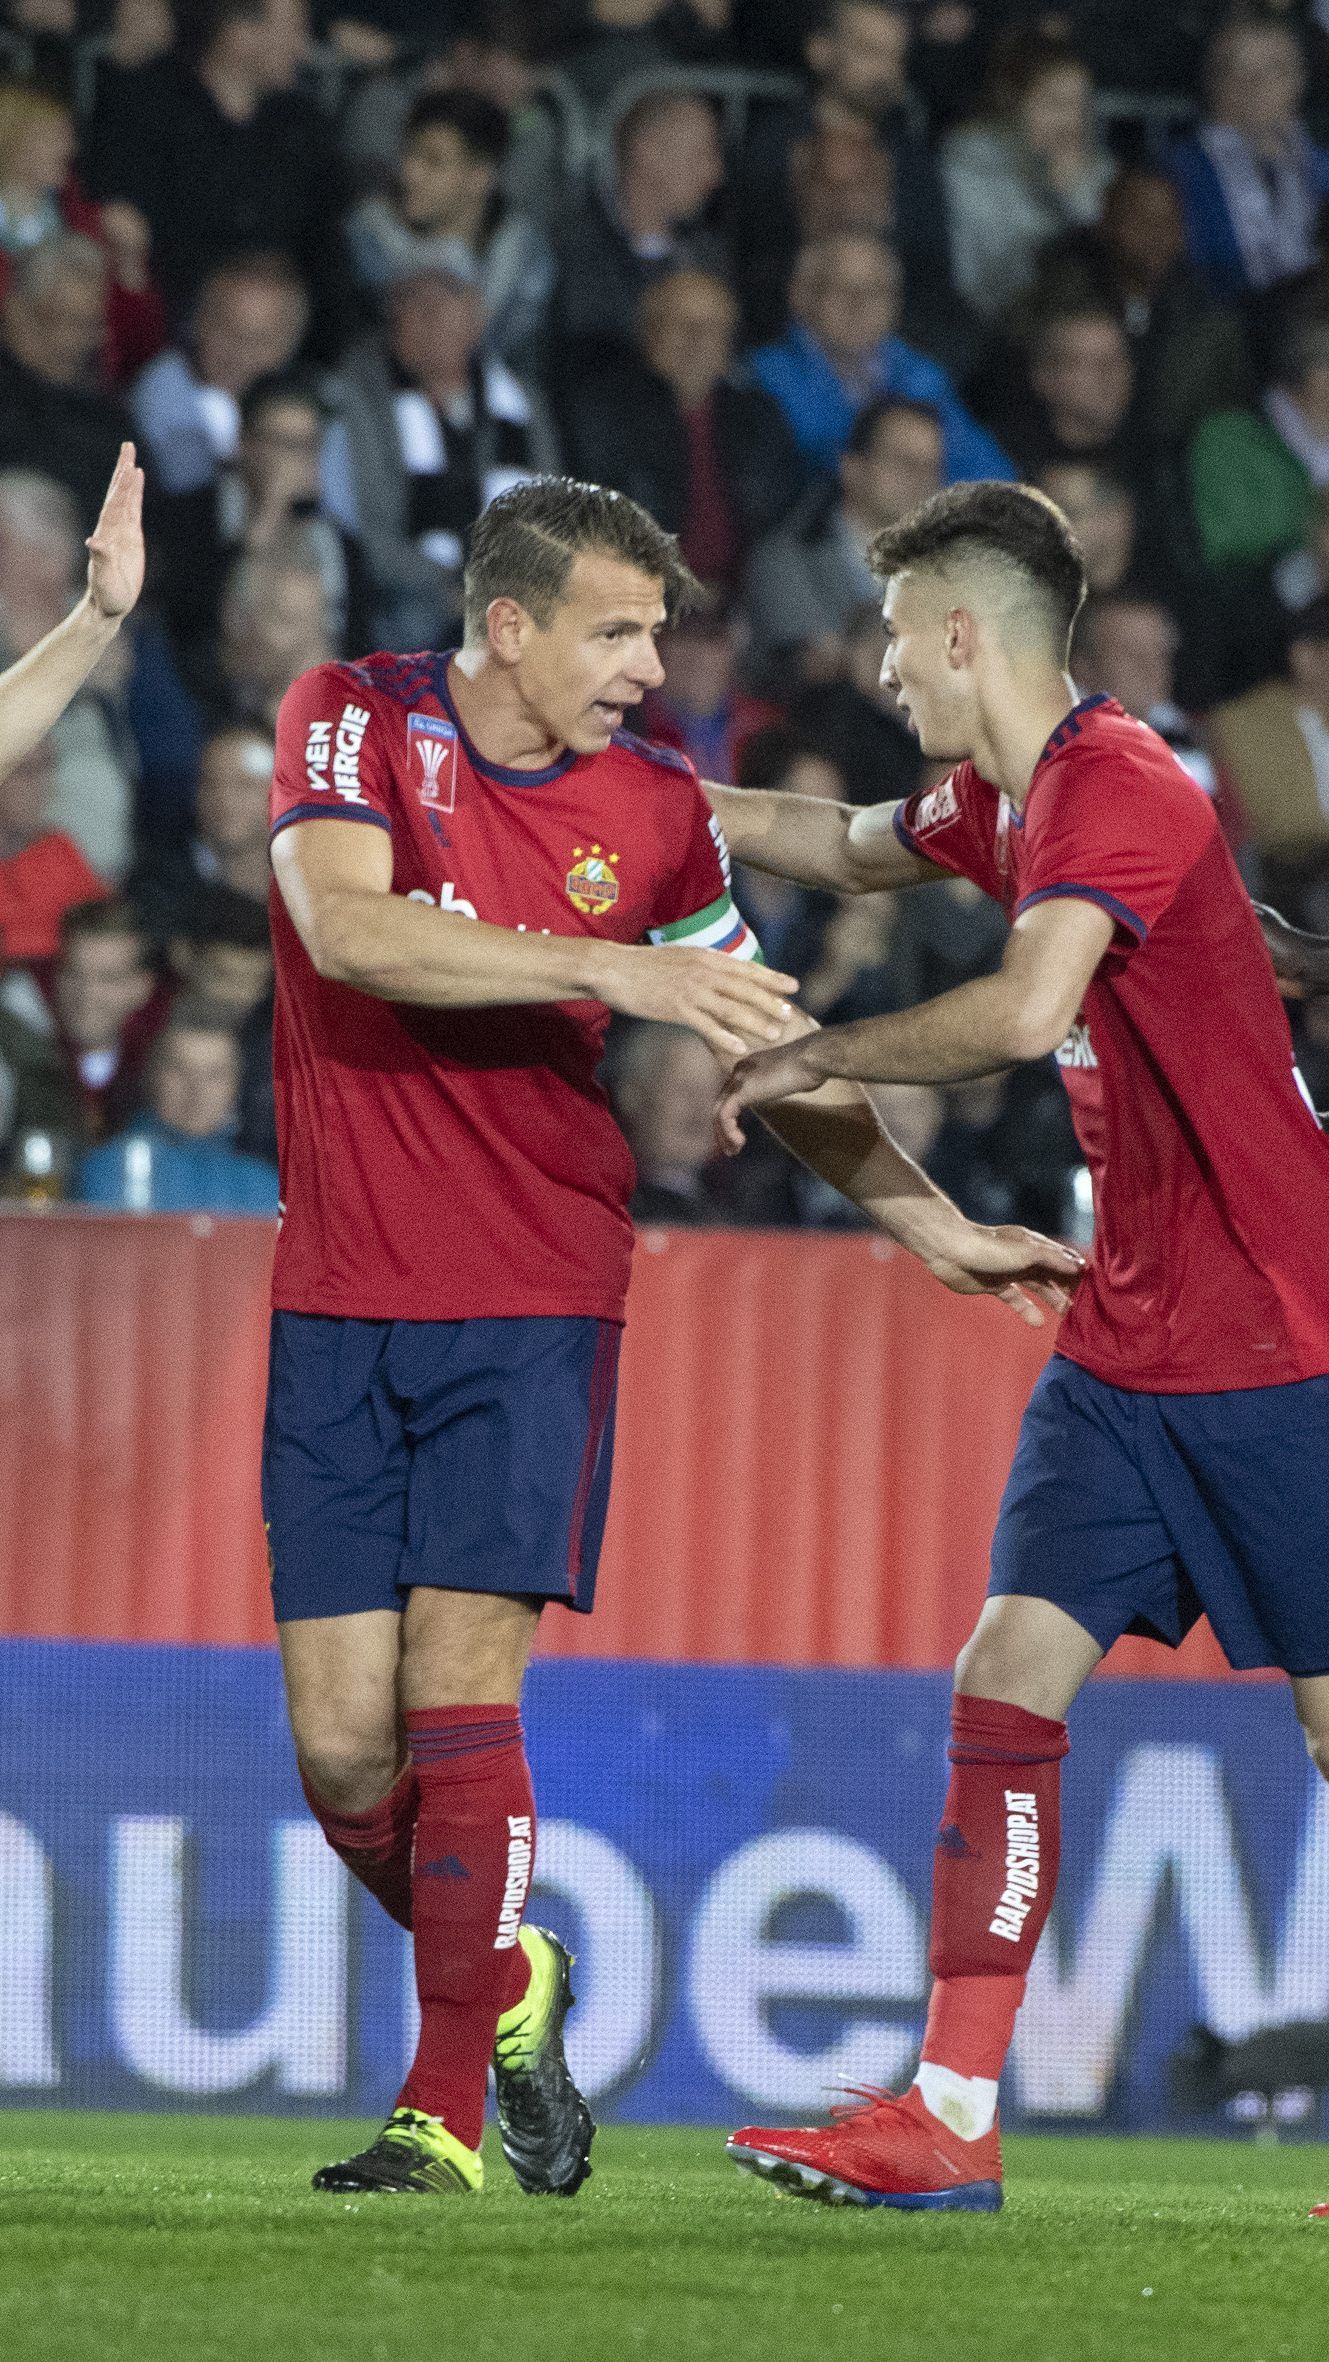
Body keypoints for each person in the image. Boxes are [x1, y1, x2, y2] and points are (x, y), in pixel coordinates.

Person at [263, 472, 1080, 2202]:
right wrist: (613, 971)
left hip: (535, 1285)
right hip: (336, 1291)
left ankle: (435, 2115)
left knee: (454, 1690)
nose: (648, 666)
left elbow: (761, 1043)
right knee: (343, 1753)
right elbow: (344, 929)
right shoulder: (349, 720)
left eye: (657, 631)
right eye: (615, 630)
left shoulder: (653, 817)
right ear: (507, 624)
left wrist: (927, 1222)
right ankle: (509, 1974)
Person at [705, 479, 1329, 2211]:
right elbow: (834, 842)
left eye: (897, 633)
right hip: (1125, 1340)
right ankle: (951, 2111)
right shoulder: (1006, 799)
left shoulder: (1113, 788)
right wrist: (644, 804)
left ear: (963, 632)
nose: (880, 661)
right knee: (1001, 1675)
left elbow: (1024, 1009)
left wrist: (816, 1057)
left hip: (1285, 1334)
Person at [323, 262, 558, 650]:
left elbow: (552, 515)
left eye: (445, 297)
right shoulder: (357, 396)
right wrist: (457, 588)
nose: (428, 317)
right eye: (411, 301)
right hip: (406, 605)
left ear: (478, 315)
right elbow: (363, 531)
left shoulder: (521, 400)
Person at [556, 267, 809, 592]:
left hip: (745, 604)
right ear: (648, 333)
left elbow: (783, 515)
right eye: (681, 324)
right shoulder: (603, 412)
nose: (696, 340)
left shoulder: (758, 415)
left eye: (711, 328)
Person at [749, 230, 1013, 480]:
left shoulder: (923, 377)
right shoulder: (760, 378)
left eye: (876, 291)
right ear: (801, 295)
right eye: (841, 288)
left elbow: (990, 474)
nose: (859, 305)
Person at [345, 88, 554, 374]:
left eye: (434, 161)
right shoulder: (366, 237)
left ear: (480, 177)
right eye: (409, 154)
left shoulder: (527, 259)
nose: (410, 172)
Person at [745, 395, 943, 676]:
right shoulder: (786, 560)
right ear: (852, 468)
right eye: (902, 461)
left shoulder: (953, 567)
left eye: (931, 466)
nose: (921, 478)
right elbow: (804, 672)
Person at [940, 29, 1116, 324]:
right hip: (997, 319)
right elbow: (976, 277)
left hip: (1083, 320)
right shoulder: (970, 161)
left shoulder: (1099, 168)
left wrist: (1071, 193)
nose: (1069, 121)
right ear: (1012, 100)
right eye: (1052, 103)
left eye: (1078, 105)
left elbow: (1107, 263)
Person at [1167, 13, 1329, 303]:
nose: (1256, 87)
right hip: (1224, 319)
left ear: (1299, 80)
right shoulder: (1180, 171)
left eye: (1274, 70)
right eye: (1239, 70)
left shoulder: (1322, 170)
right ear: (1213, 80)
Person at [553, 88, 729, 349]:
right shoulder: (573, 252)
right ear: (648, 153)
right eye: (701, 154)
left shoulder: (707, 256)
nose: (715, 175)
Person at [74, 997, 279, 1213]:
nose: (197, 1090)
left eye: (214, 1075)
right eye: (180, 1071)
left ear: (236, 1084)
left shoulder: (264, 1185)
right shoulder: (108, 1169)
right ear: (152, 1075)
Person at [131, 254, 311, 497]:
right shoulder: (163, 391)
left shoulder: (312, 406)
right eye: (226, 331)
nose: (238, 354)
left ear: (289, 347)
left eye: (258, 341)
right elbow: (185, 488)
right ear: (198, 323)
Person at [0, 236, 137, 532]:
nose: (90, 341)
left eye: (95, 324)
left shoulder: (107, 418)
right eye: (70, 323)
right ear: (16, 313)